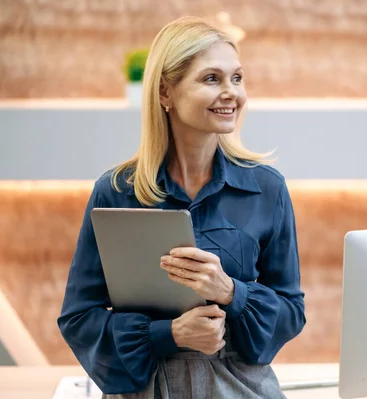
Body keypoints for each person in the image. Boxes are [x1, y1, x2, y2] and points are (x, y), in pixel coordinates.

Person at [57, 15, 306, 399]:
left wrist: (230, 292)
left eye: (236, 78)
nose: (231, 93)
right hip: (144, 389)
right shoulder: (116, 191)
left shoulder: (267, 188)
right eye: (212, 79)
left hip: (239, 388)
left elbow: (291, 312)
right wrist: (169, 335)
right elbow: (78, 318)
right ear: (164, 93)